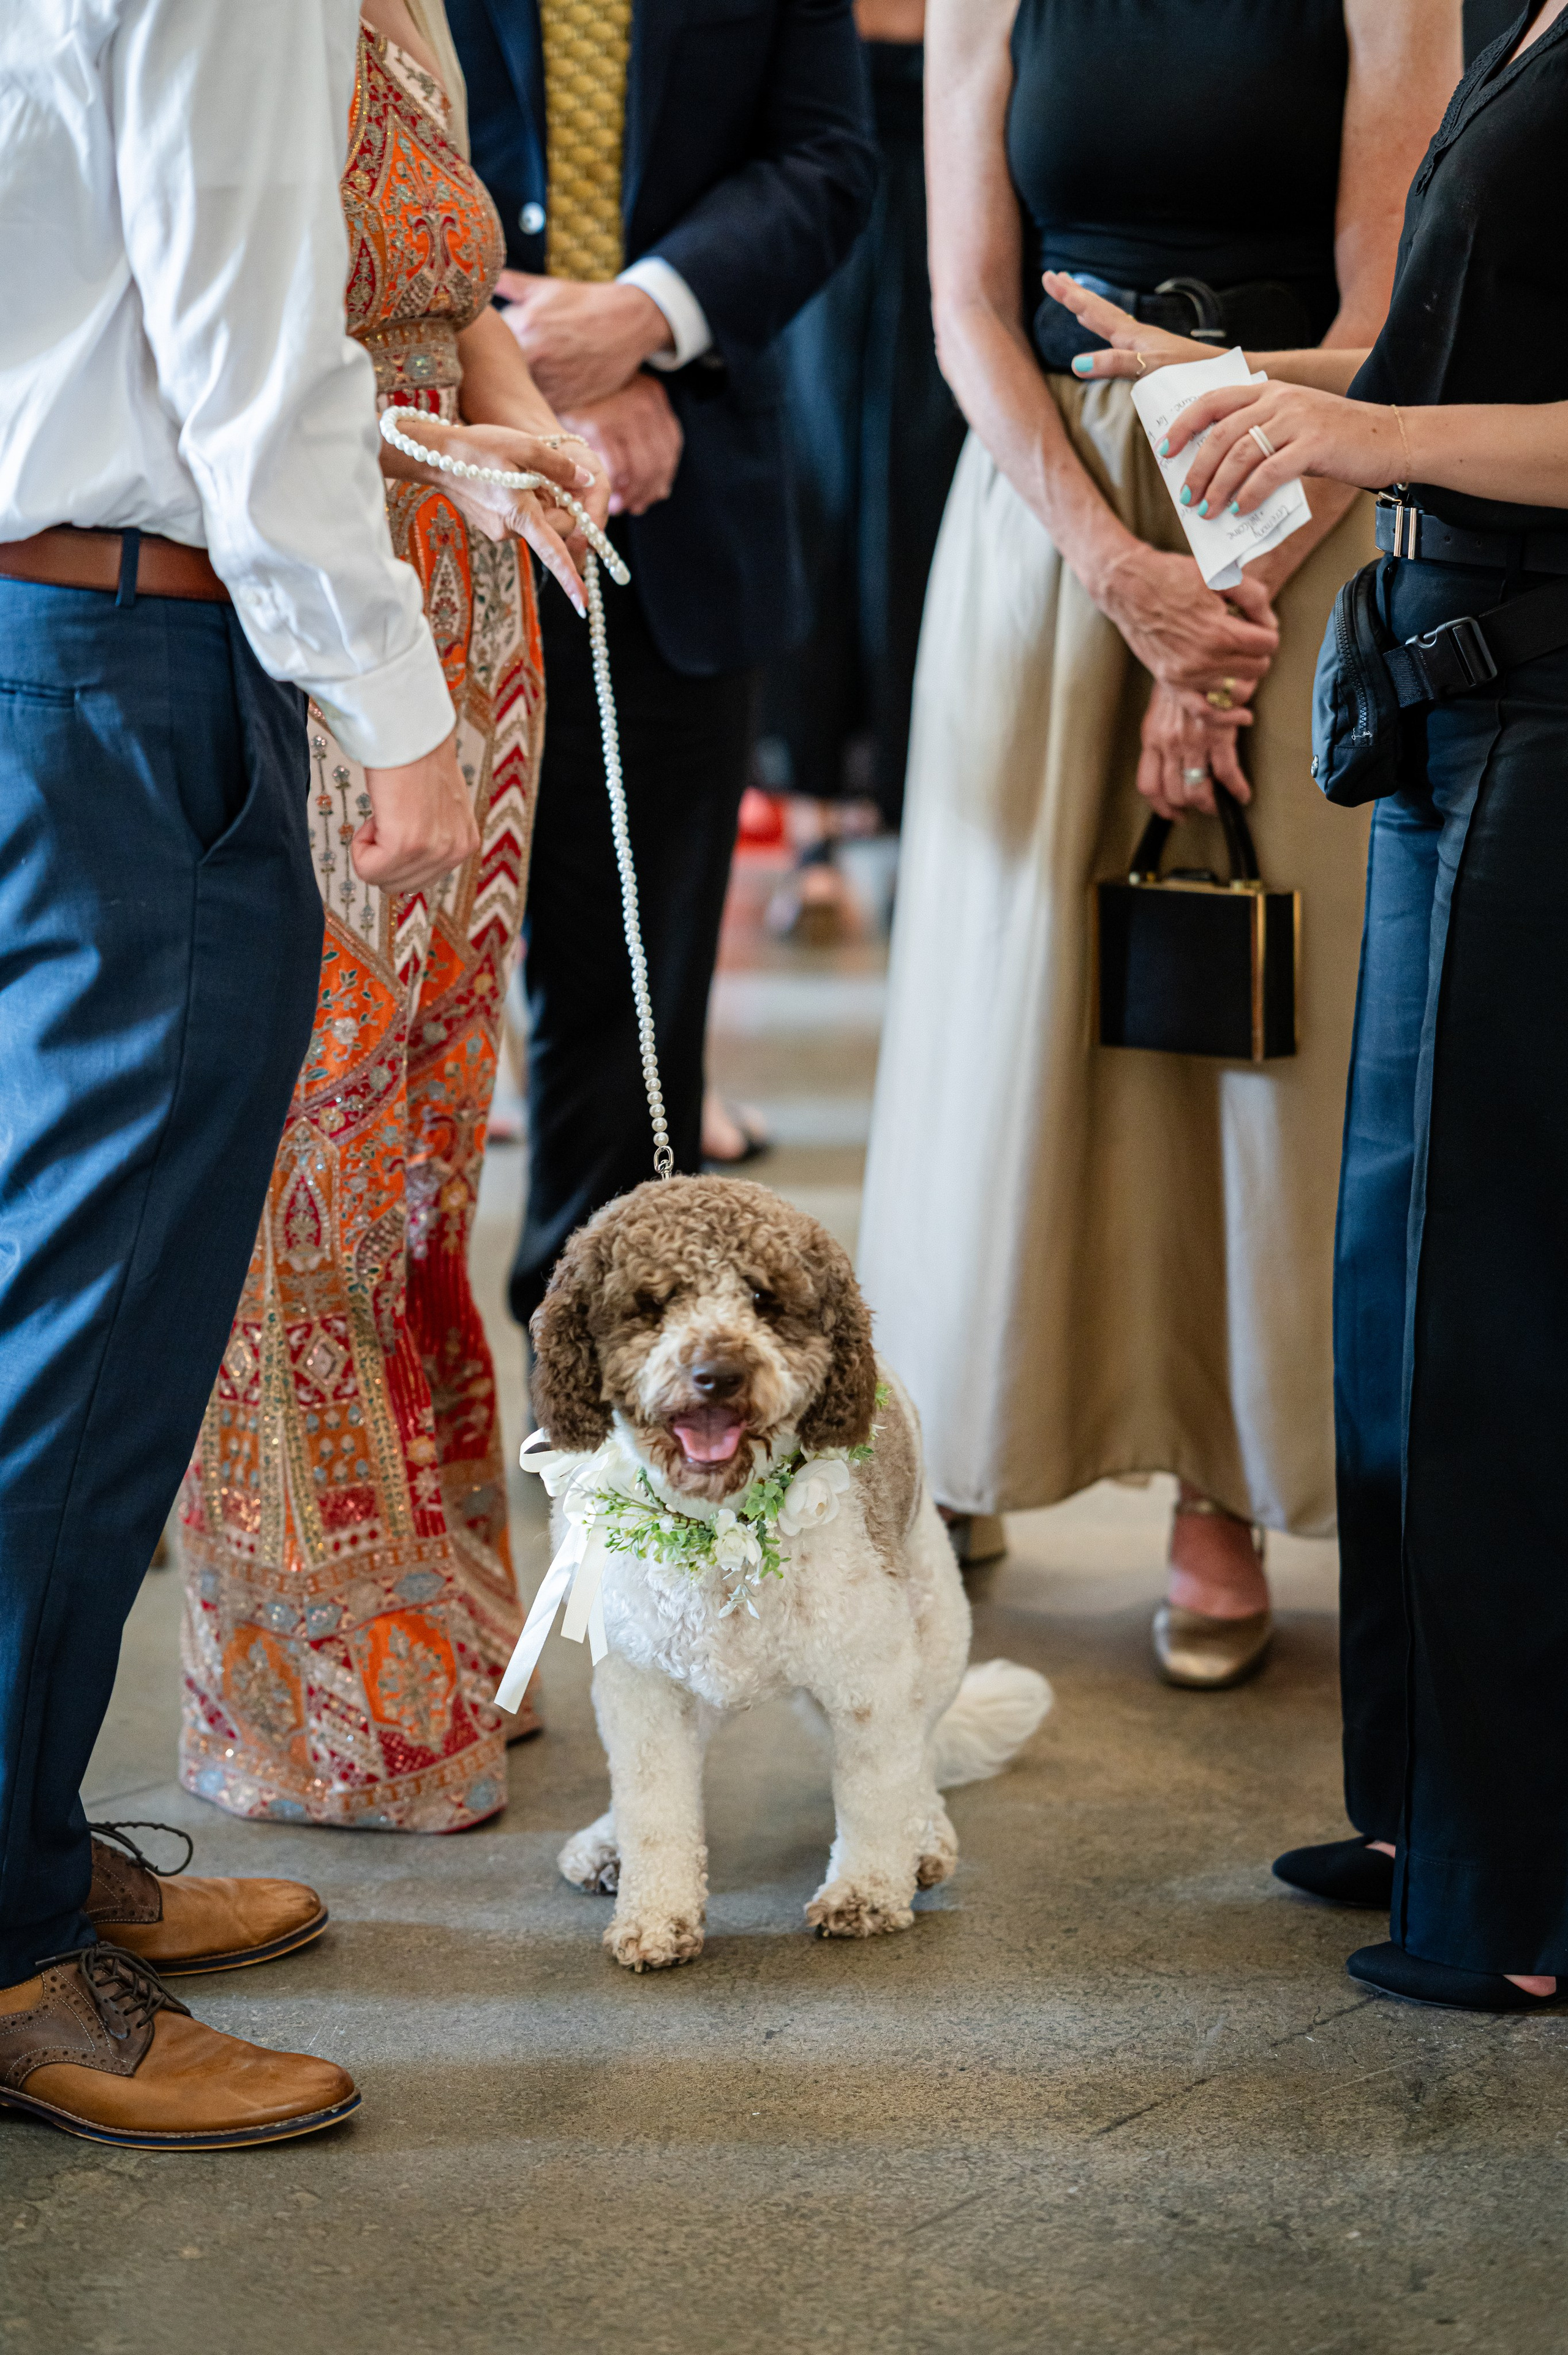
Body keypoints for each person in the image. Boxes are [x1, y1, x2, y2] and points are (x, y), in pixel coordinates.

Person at [0, 0, 484, 2147]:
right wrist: (396, 700)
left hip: (43, 636)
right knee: (84, 1351)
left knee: (48, 1313)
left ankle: (24, 1841)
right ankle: (8, 1956)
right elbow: (245, 338)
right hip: (133, 641)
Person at [858, 0, 1461, 1685]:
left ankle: (1227, 1487)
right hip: (1048, 517)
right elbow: (968, 303)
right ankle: (976, 1429)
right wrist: (1120, 575)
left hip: (1292, 493)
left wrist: (1225, 601)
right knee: (1019, 1018)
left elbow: (1388, 311)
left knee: (1259, 1029)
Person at [1105, 0, 1568, 2009]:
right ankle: (1419, 1804)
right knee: (1394, 1294)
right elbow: (1451, 358)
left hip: (1547, 697)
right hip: (1463, 691)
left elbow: (1436, 415)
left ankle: (1523, 1895)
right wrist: (1237, 378)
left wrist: (1352, 437)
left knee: (1490, 1315)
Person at [177, 0, 611, 1834]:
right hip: (330, 601)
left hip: (466, 593)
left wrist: (529, 436)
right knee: (314, 1147)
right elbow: (229, 349)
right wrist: (444, 460)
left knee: (431, 1147)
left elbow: (463, 296)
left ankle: (438, 1610)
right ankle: (313, 1702)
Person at [445, 0, 878, 1328]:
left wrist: (645, 320)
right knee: (377, 997)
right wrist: (542, 383)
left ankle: (591, 1392)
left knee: (630, 988)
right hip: (418, 492)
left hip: (681, 510)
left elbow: (823, 158)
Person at [756, 0, 967, 945]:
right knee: (814, 506)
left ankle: (929, 829)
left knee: (921, 515)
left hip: (949, 231)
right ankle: (812, 838)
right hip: (820, 243)